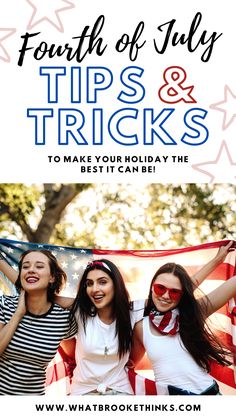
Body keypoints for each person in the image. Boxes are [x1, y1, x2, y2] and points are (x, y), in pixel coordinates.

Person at [0, 241, 234, 395]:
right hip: (83, 394)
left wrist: (214, 262)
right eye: (90, 283)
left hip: (123, 395)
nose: (95, 288)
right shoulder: (81, 310)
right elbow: (35, 289)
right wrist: (3, 262)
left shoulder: (133, 312)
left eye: (103, 282)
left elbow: (179, 290)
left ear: (115, 286)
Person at [129, 245, 236, 396]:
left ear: (181, 294)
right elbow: (128, 365)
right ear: (152, 287)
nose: (166, 296)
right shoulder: (141, 327)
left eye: (174, 292)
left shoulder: (191, 315)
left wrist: (218, 260)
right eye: (160, 288)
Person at [0, 250, 77, 395]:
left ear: (52, 277)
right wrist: (18, 314)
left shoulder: (63, 319)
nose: (31, 270)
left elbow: (73, 356)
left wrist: (49, 297)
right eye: (26, 267)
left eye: (39, 266)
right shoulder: (4, 305)